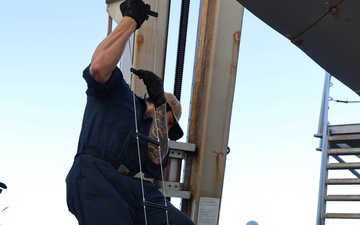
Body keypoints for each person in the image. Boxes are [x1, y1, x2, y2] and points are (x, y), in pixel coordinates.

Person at [65, 0, 195, 225]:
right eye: (170, 122)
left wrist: (162, 105)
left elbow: (156, 163)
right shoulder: (118, 92)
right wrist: (130, 20)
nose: (168, 128)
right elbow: (98, 67)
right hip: (97, 173)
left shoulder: (156, 132)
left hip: (135, 187)